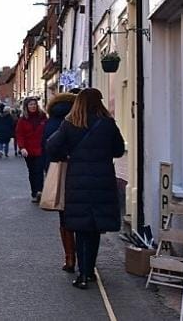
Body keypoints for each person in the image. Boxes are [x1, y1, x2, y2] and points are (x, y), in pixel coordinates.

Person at [46, 88, 126, 289]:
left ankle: (82, 275)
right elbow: (118, 150)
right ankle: (89, 271)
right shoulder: (108, 124)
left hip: (77, 182)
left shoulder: (70, 124)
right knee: (94, 229)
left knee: (81, 228)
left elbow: (51, 147)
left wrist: (66, 155)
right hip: (102, 181)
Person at [43, 91, 77, 273]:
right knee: (82, 217)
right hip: (79, 172)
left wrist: (47, 170)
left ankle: (70, 258)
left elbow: (47, 147)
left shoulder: (50, 123)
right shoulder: (78, 121)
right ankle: (87, 261)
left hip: (58, 172)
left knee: (64, 217)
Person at [15, 97, 47, 202]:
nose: (33, 106)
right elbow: (19, 135)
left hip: (41, 149)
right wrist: (22, 148)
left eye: (34, 104)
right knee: (32, 171)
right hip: (28, 150)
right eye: (30, 105)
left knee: (39, 170)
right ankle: (34, 192)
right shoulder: (22, 120)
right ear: (26, 107)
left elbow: (47, 131)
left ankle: (40, 191)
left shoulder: (43, 117)